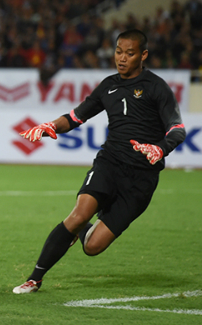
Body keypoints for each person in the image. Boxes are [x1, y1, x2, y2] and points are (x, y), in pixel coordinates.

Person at [12, 29, 186, 294]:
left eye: (130, 53)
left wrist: (160, 149)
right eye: (119, 51)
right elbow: (75, 117)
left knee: (92, 247)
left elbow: (177, 129)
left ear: (143, 55)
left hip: (141, 179)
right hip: (109, 163)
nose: (122, 58)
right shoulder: (108, 85)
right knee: (78, 214)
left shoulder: (157, 87)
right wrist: (51, 126)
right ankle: (35, 278)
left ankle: (81, 231)